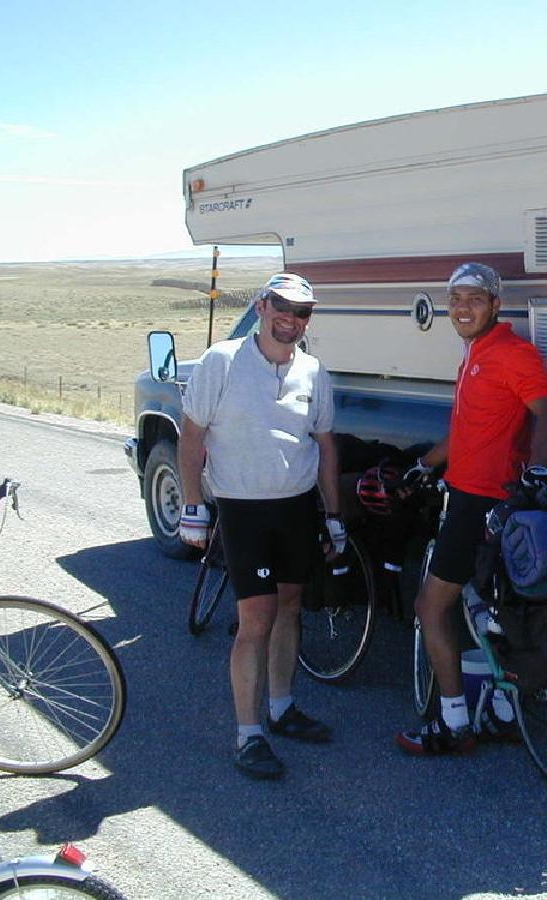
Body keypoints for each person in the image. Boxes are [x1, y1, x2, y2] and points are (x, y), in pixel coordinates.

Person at [178, 273, 346, 780]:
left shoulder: (313, 371)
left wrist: (334, 515)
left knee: (291, 608)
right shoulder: (222, 362)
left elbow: (325, 446)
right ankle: (248, 735)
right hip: (242, 507)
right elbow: (191, 437)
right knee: (256, 620)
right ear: (261, 305)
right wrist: (192, 505)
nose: (290, 319)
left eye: (302, 312)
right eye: (282, 307)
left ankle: (282, 707)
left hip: (295, 506)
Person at [395, 262, 547, 756]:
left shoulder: (514, 354)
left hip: (483, 500)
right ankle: (505, 715)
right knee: (493, 611)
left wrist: (537, 472)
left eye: (474, 299)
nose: (463, 309)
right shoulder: (475, 354)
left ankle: (452, 724)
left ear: (495, 305)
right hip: (469, 490)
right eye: (455, 300)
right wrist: (426, 462)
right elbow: (470, 430)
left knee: (430, 606)